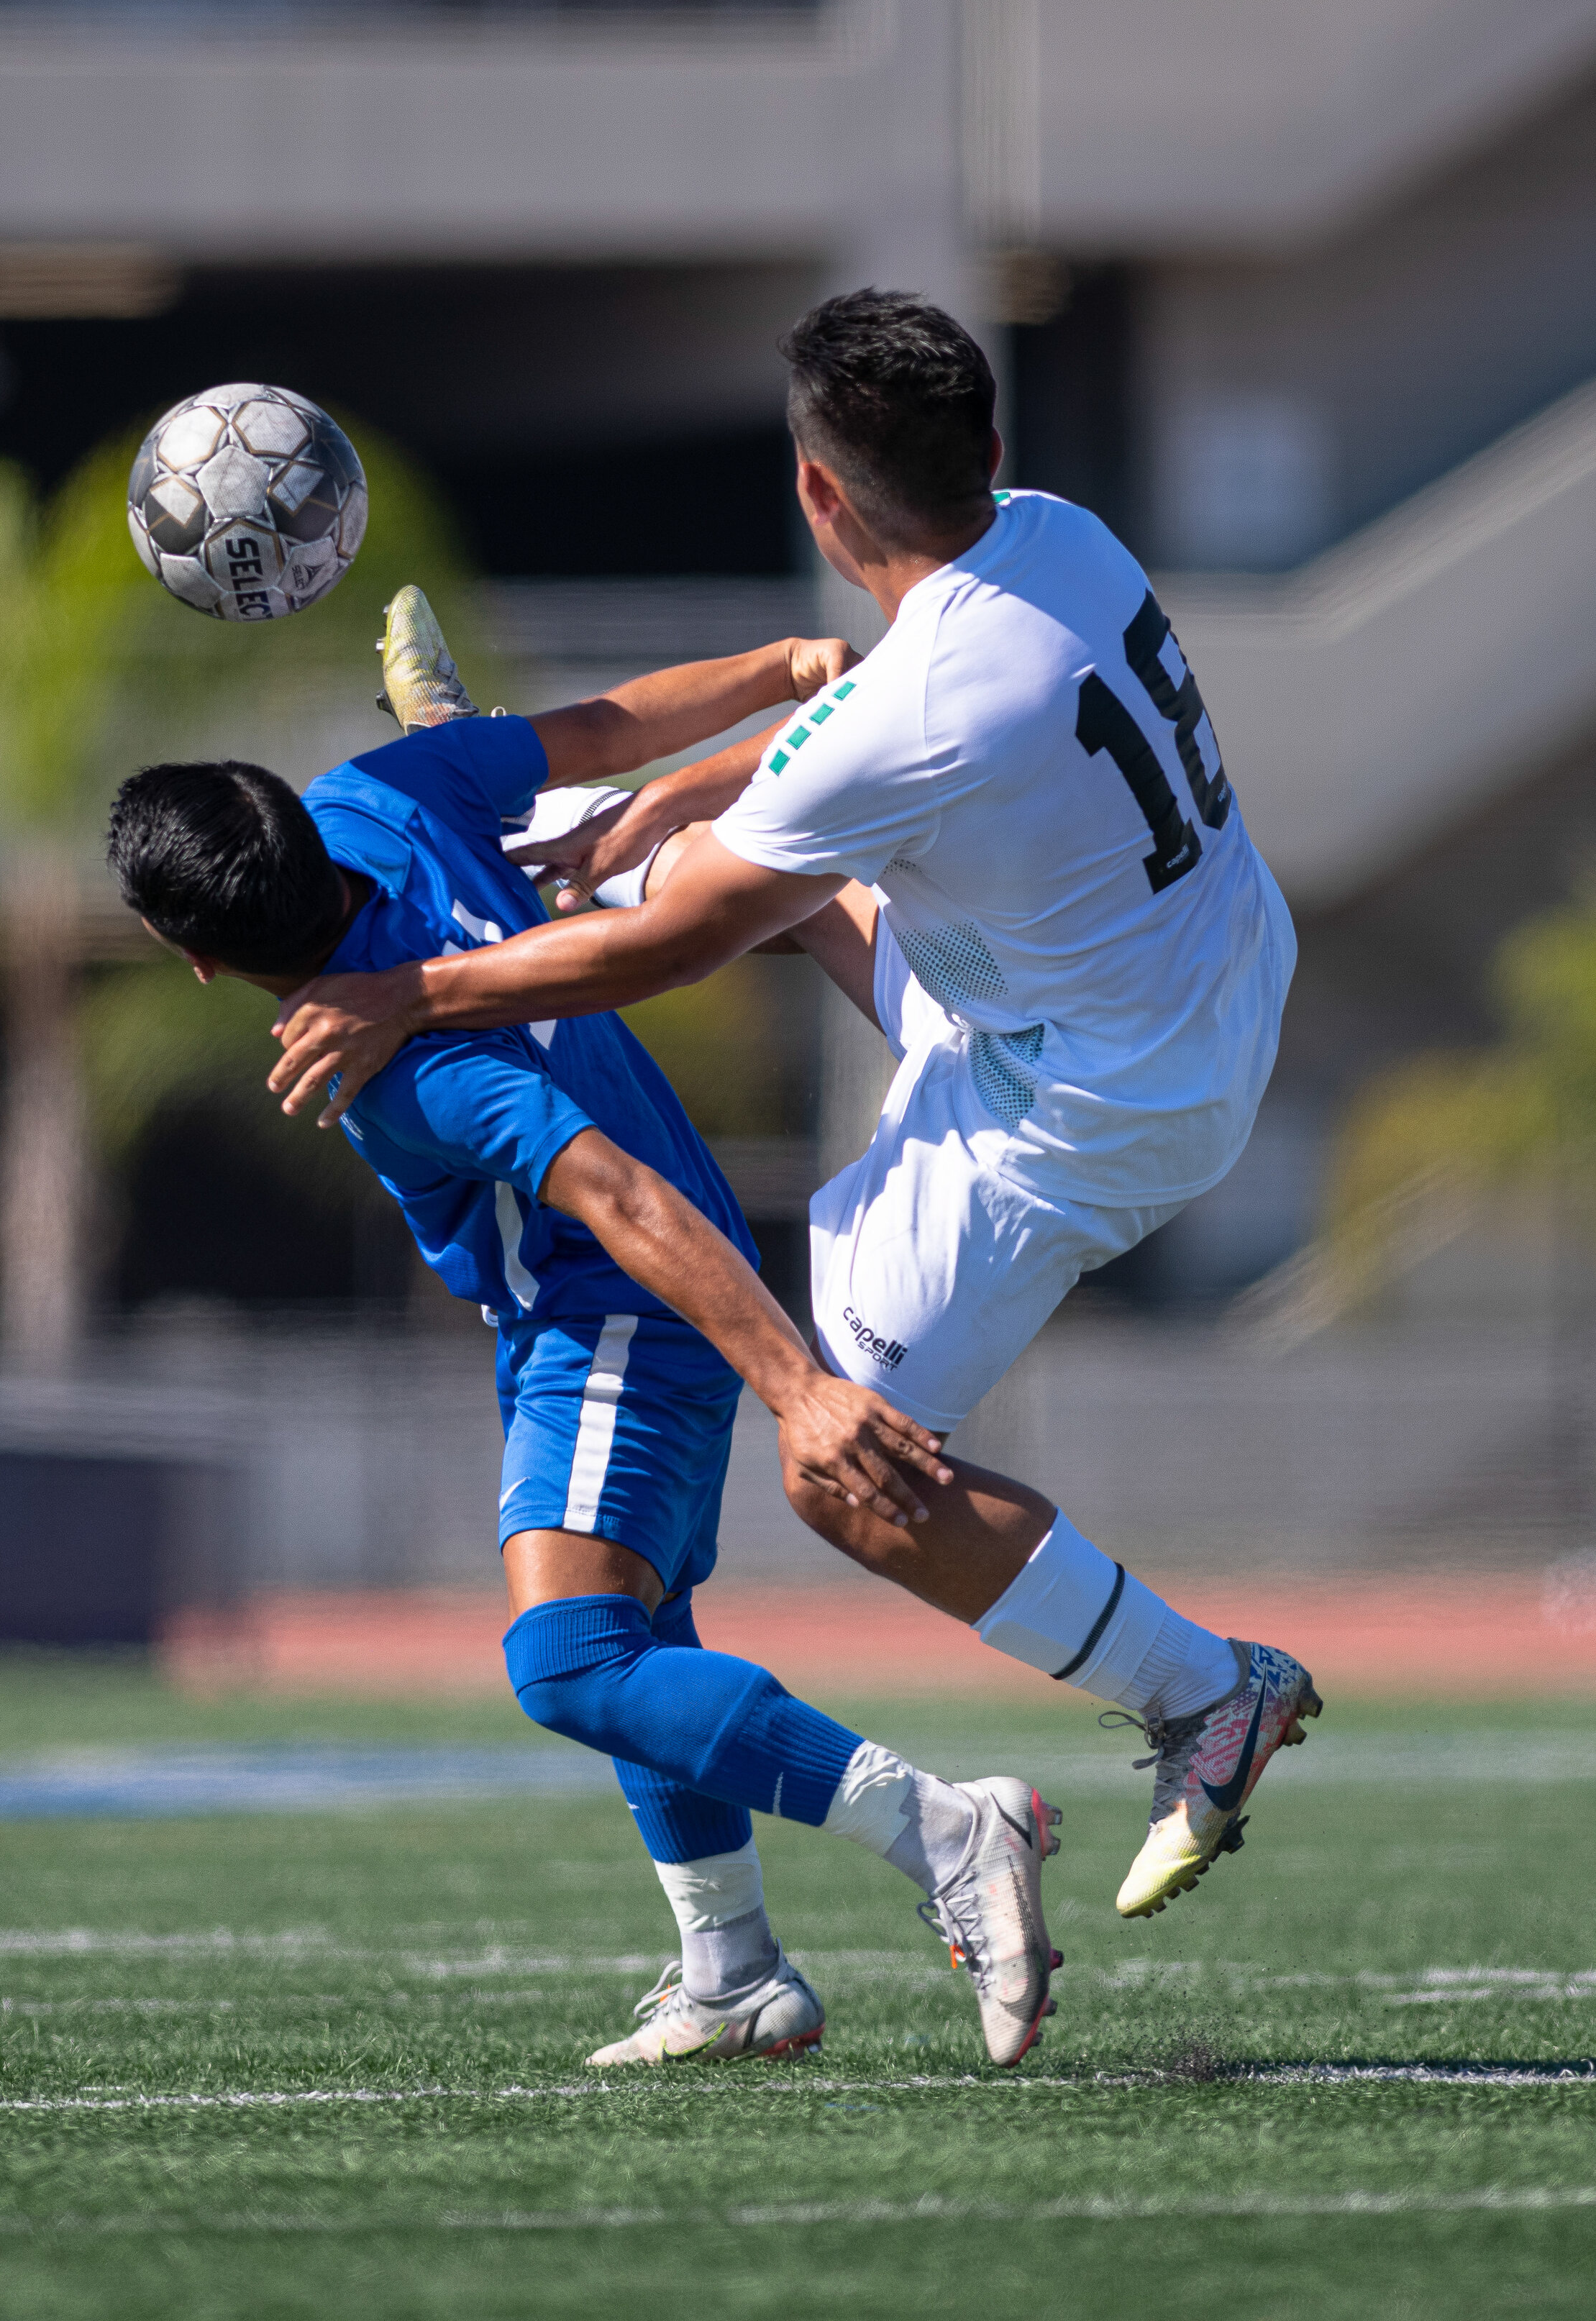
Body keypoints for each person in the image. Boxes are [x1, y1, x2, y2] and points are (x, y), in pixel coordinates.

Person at [262, 291, 1323, 1922]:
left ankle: (1202, 1692)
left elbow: (666, 949)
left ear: (822, 498)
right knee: (727, 861)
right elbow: (825, 762)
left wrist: (410, 989)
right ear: (987, 450)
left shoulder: (910, 718)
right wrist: (640, 813)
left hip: (1079, 1105)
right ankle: (513, 792)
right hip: (1194, 977)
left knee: (846, 1468)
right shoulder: (1059, 536)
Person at [104, 672, 1067, 2071]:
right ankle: (731, 1967)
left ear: (189, 956)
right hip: (594, 1307)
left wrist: (796, 1388)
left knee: (566, 1661)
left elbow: (614, 1196)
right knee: (636, 1633)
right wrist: (783, 673)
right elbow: (607, 733)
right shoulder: (382, 791)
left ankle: (942, 1832)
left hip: (617, 1306)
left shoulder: (399, 1063)